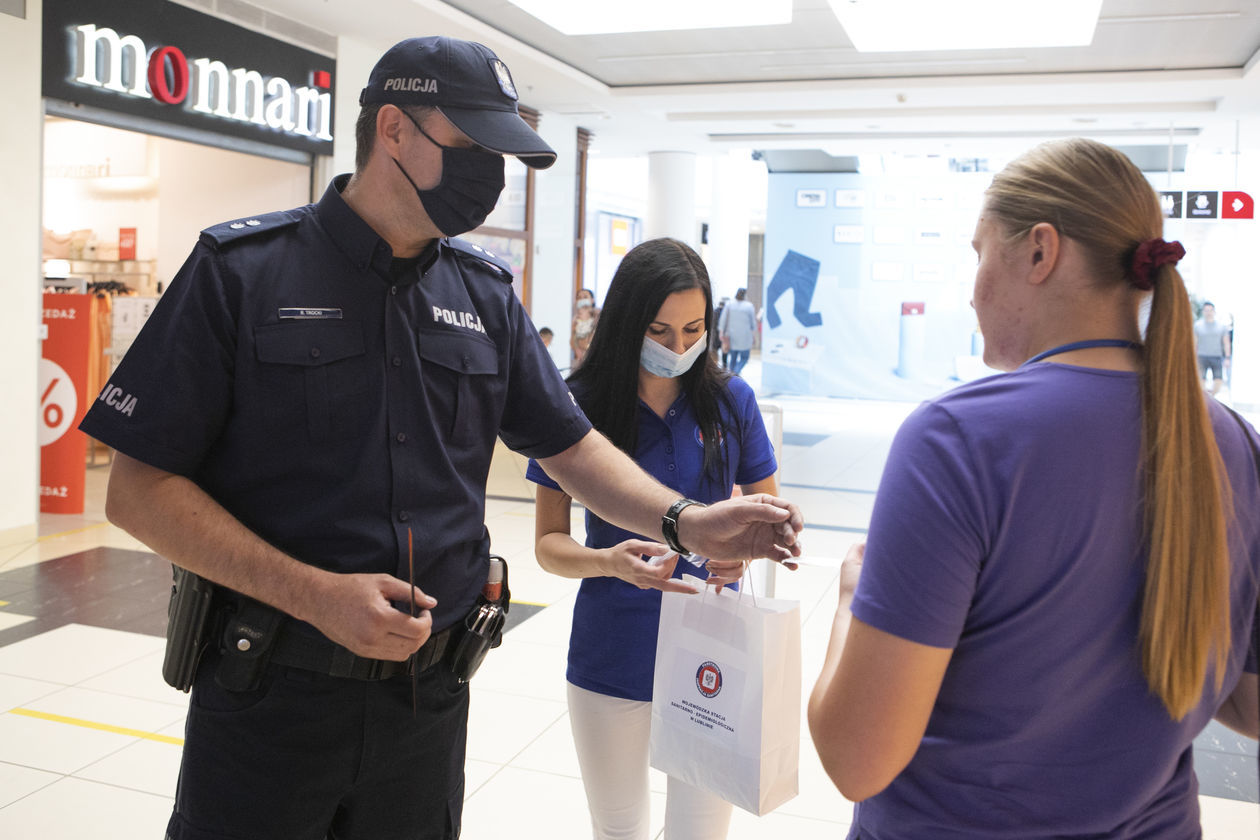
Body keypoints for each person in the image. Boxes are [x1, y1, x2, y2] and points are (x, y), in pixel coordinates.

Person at [78, 36, 803, 840]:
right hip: (268, 695)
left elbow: (570, 446)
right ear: (392, 129)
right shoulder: (240, 273)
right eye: (471, 146)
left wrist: (685, 520)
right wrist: (312, 594)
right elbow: (137, 489)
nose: (490, 174)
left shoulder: (485, 297)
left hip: (426, 708)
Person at [808, 138, 1260, 838]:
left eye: (979, 252)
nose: (971, 286)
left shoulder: (958, 440)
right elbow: (1251, 707)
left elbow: (856, 759)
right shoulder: (1231, 440)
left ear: (1040, 252)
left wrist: (847, 599)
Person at [527, 238, 789, 840]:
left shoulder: (730, 401)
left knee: (700, 832)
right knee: (617, 828)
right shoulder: (577, 407)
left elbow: (763, 511)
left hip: (711, 651)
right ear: (627, 324)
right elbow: (548, 545)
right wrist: (606, 561)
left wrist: (742, 554)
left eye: (693, 329)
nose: (679, 348)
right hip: (612, 649)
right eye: (660, 331)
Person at [1194, 301, 1232, 395]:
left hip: (1216, 356)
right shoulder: (1197, 326)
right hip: (1201, 356)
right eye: (1206, 310)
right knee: (1200, 379)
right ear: (1203, 312)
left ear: (1214, 311)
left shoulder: (1221, 326)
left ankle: (1212, 397)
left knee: (1218, 379)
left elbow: (1226, 343)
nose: (1208, 312)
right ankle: (1204, 398)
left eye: (1210, 310)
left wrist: (1227, 358)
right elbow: (1194, 342)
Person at [718, 287, 756, 375]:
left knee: (733, 358)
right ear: (745, 295)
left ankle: (731, 376)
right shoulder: (749, 306)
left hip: (731, 336)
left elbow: (723, 319)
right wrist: (753, 336)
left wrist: (721, 332)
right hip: (745, 337)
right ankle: (735, 373)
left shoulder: (729, 304)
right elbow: (753, 323)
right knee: (744, 358)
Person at [571, 286, 600, 365]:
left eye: (585, 297)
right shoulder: (575, 320)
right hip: (580, 359)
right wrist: (577, 351)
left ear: (592, 300)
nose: (582, 299)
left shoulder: (598, 316)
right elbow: (572, 340)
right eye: (579, 297)